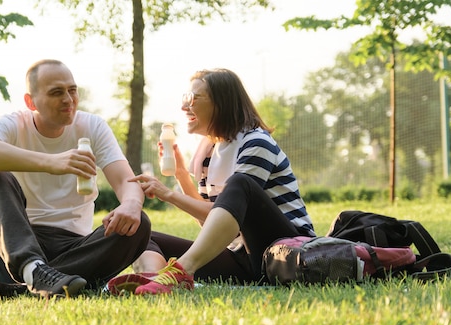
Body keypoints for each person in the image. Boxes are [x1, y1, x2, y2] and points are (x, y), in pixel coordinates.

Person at [108, 68, 315, 295]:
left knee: (241, 183)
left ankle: (178, 273)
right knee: (140, 234)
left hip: (286, 253)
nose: (184, 106)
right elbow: (213, 220)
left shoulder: (256, 142)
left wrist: (167, 193)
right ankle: (154, 282)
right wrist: (181, 174)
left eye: (193, 98)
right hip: (243, 259)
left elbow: (228, 208)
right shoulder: (208, 152)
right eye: (185, 98)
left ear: (221, 103)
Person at [0, 59, 151, 300]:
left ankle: (23, 289)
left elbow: (128, 181)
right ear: (31, 101)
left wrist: (131, 205)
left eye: (72, 90)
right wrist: (50, 162)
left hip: (74, 248)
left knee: (139, 225)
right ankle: (32, 270)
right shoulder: (13, 123)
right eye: (56, 92)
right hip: (15, 246)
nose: (68, 99)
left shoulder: (93, 126)